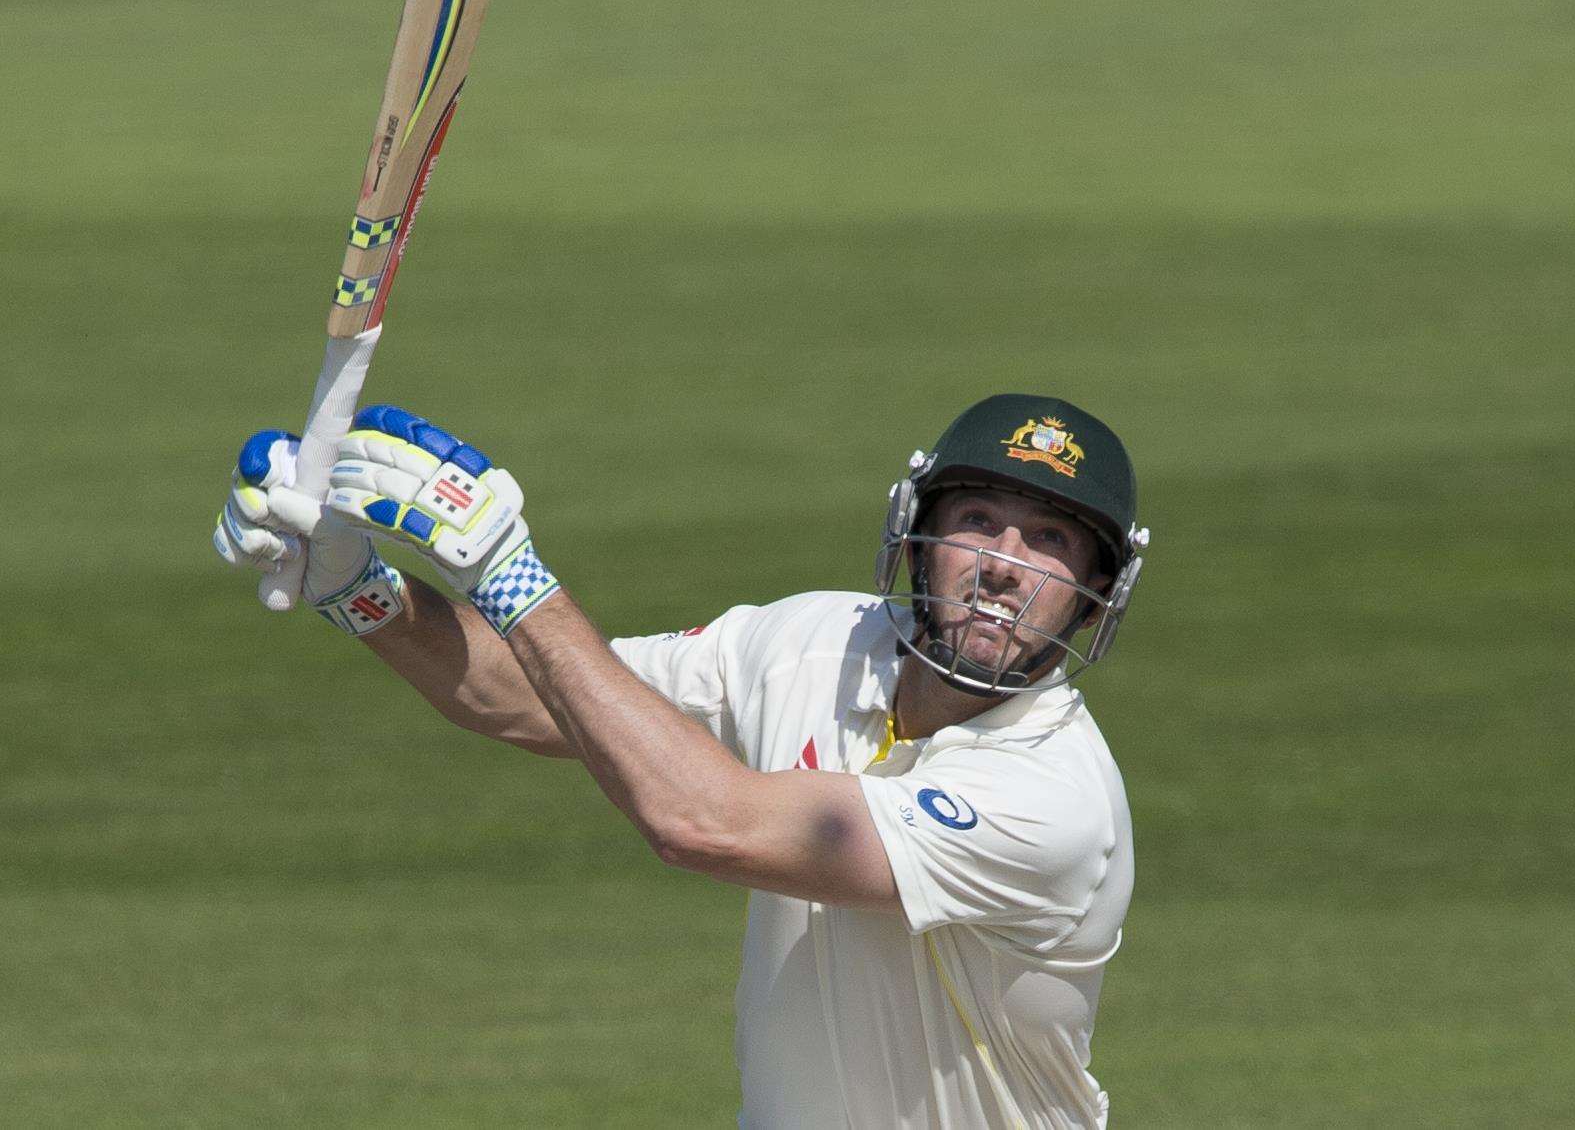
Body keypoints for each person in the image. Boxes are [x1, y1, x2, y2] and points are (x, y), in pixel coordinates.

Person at [214, 392, 1149, 1129]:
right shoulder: (816, 638)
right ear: (917, 534)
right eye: (978, 520)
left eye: (1051, 542)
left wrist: (508, 570)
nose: (1003, 564)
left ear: (1094, 598)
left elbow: (706, 824)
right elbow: (545, 696)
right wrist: (359, 588)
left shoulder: (1052, 799)